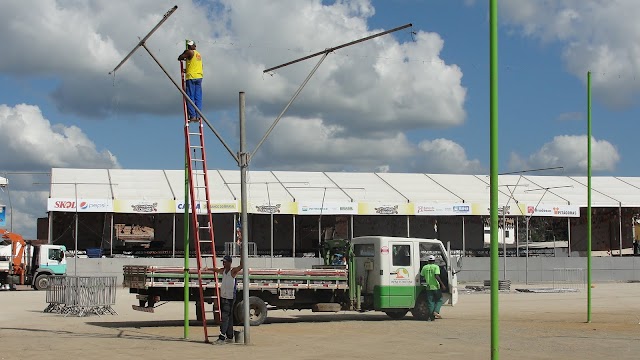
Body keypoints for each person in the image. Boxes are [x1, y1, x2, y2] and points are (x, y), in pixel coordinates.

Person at [213, 255, 243, 344]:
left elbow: (241, 266)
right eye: (223, 262)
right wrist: (208, 269)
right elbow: (216, 270)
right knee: (228, 317)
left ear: (230, 262)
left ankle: (222, 337)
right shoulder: (224, 271)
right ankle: (230, 336)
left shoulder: (232, 271)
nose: (223, 263)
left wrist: (242, 254)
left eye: (225, 262)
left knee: (225, 317)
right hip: (224, 297)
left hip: (229, 298)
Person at [178, 40, 203, 122]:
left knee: (190, 97)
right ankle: (198, 115)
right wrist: (187, 70)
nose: (189, 47)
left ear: (193, 46)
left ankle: (192, 116)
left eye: (190, 46)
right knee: (198, 97)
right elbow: (194, 65)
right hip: (199, 76)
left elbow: (180, 57)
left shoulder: (190, 52)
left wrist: (185, 52)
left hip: (191, 77)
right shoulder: (198, 54)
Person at [420, 255, 446, 321]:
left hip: (428, 286)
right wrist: (442, 284)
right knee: (439, 300)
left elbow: (422, 276)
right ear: (434, 261)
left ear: (428, 261)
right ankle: (436, 311)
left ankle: (431, 317)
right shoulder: (436, 267)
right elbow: (436, 276)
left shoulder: (424, 267)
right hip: (436, 286)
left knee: (430, 302)